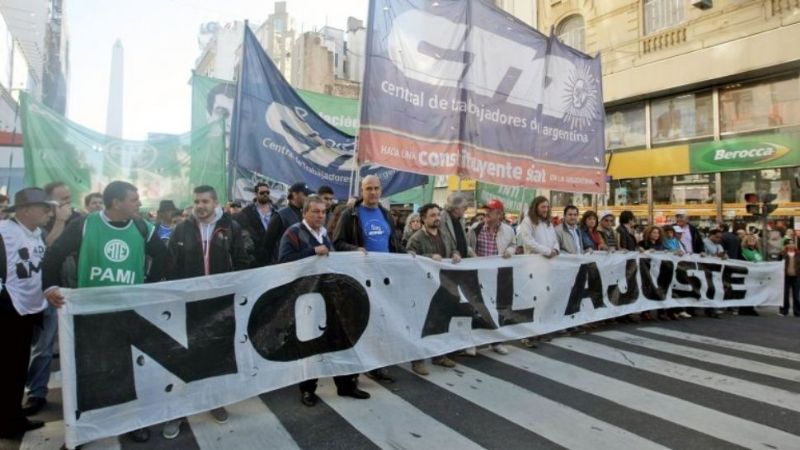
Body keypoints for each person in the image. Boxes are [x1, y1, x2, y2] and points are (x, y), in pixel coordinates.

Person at [42, 181, 168, 443]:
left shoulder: (142, 226)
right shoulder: (86, 225)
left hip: (127, 311)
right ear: (116, 203)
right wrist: (51, 286)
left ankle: (131, 421)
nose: (139, 203)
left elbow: (165, 257)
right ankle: (83, 428)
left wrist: (148, 286)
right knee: (89, 371)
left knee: (126, 368)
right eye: (134, 199)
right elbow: (55, 254)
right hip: (92, 313)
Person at [160, 185, 250, 439]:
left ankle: (213, 401)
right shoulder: (182, 228)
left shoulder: (231, 227)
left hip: (220, 305)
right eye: (197, 201)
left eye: (205, 201)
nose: (200, 206)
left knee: (216, 354)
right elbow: (171, 267)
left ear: (215, 202)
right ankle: (179, 410)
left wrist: (235, 293)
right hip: (189, 305)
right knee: (184, 355)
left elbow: (242, 262)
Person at [279, 195, 370, 404]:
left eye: (323, 212)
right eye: (316, 211)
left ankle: (345, 385)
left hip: (329, 296)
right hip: (306, 299)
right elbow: (283, 263)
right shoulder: (293, 233)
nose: (321, 215)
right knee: (310, 345)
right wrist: (311, 251)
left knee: (339, 340)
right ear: (305, 213)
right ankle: (308, 390)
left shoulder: (325, 234)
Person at [333, 175, 405, 383]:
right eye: (368, 189)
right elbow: (337, 243)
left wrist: (407, 255)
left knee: (379, 324)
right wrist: (355, 249)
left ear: (381, 190)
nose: (373, 192)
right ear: (362, 191)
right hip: (360, 280)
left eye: (376, 188)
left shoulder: (386, 214)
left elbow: (394, 244)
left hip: (383, 280)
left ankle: (375, 365)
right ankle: (353, 371)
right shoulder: (350, 214)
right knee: (358, 324)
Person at [22, 181, 82, 417]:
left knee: (80, 343)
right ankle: (37, 392)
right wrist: (59, 221)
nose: (67, 202)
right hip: (48, 291)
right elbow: (47, 249)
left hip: (74, 288)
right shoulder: (41, 223)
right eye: (61, 199)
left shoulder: (79, 219)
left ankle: (80, 389)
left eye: (68, 197)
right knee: (44, 345)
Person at [0, 188, 53, 438]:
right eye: (43, 207)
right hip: (9, 308)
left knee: (17, 368)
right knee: (8, 368)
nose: (47, 212)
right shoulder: (3, 232)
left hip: (29, 308)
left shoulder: (37, 233)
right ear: (24, 210)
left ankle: (13, 416)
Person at [407, 203, 462, 375]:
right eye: (432, 215)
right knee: (421, 324)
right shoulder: (416, 238)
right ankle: (418, 360)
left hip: (443, 286)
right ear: (423, 218)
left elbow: (455, 249)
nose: (437, 218)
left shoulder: (445, 235)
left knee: (441, 322)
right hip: (423, 288)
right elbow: (408, 257)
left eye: (438, 215)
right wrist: (429, 257)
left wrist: (455, 255)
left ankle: (439, 355)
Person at [466, 199, 515, 355]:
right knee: (475, 307)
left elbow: (513, 244)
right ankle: (471, 342)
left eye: (490, 211)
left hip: (497, 275)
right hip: (478, 274)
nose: (486, 213)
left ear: (499, 214)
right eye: (486, 210)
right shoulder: (476, 228)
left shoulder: (508, 230)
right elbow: (467, 245)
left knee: (497, 308)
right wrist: (473, 256)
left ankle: (496, 341)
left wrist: (511, 251)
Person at [516, 196, 558, 347]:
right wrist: (547, 251)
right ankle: (526, 334)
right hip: (532, 265)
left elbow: (554, 239)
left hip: (546, 266)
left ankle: (539, 330)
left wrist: (556, 249)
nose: (545, 209)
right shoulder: (528, 221)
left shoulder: (548, 223)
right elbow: (528, 241)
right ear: (536, 207)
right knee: (530, 300)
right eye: (542, 207)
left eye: (547, 207)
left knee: (543, 298)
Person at [263, 182, 313, 265]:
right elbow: (268, 244)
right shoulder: (280, 215)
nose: (308, 198)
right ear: (294, 195)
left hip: (304, 264)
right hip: (284, 265)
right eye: (305, 194)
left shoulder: (306, 214)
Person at [233, 182, 274, 267]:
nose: (265, 194)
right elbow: (245, 234)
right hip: (257, 256)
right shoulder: (247, 212)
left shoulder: (276, 210)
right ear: (255, 194)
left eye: (267, 192)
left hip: (274, 254)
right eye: (262, 193)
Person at [440, 192, 475, 259]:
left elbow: (463, 242)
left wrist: (469, 251)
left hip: (462, 261)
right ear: (456, 208)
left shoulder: (461, 219)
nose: (466, 209)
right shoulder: (442, 218)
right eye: (464, 207)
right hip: (450, 262)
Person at [781, 243, 800, 317]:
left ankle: (797, 311)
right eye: (789, 244)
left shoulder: (798, 254)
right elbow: (778, 263)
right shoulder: (782, 254)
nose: (791, 245)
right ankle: (784, 311)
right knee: (785, 295)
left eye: (793, 244)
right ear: (786, 245)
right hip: (785, 277)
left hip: (796, 277)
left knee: (796, 295)